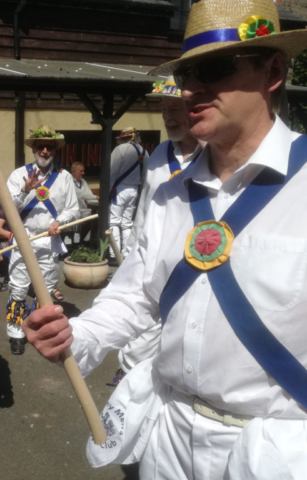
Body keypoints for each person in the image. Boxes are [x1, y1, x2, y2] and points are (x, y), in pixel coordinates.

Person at [23, 1, 307, 478]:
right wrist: (77, 334)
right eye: (187, 73)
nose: (190, 89)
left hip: (275, 450)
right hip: (168, 437)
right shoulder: (169, 192)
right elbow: (136, 294)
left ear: (272, 71)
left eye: (212, 69)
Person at [109, 76, 203, 387]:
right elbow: (143, 212)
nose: (168, 117)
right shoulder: (159, 154)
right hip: (155, 259)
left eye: (175, 108)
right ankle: (131, 381)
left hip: (199, 263)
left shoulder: (215, 154)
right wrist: (133, 255)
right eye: (164, 109)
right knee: (141, 332)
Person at [5, 125, 78, 355]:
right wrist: (26, 189)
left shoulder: (64, 177)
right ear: (34, 149)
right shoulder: (18, 175)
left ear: (55, 150)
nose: (45, 150)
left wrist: (59, 222)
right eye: (40, 146)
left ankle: (38, 329)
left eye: (49, 147)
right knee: (18, 288)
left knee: (45, 290)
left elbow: (72, 209)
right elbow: (9, 208)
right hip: (24, 238)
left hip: (49, 241)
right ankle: (16, 331)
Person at [109, 126, 149, 258]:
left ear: (125, 138)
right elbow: (145, 176)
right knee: (127, 222)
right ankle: (126, 253)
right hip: (135, 189)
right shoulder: (145, 152)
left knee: (114, 221)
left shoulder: (120, 149)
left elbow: (112, 171)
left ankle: (114, 253)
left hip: (120, 189)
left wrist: (108, 191)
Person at [67, 161, 98, 244]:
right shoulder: (68, 181)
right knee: (76, 216)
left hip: (85, 210)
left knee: (95, 216)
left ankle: (86, 241)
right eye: (81, 171)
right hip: (74, 210)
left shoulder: (83, 181)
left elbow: (89, 194)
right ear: (74, 171)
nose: (83, 173)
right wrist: (96, 197)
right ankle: (75, 243)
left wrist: (97, 201)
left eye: (83, 171)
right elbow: (80, 194)